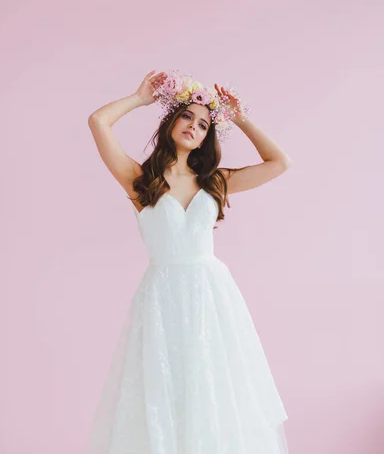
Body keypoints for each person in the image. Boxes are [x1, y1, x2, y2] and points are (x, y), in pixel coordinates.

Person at [85, 69, 292, 454]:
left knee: (212, 393)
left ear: (205, 139)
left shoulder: (215, 181)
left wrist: (239, 116)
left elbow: (279, 162)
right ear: (170, 122)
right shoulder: (140, 181)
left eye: (203, 125)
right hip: (161, 300)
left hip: (210, 300)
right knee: (163, 393)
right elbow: (98, 122)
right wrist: (138, 98)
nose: (193, 127)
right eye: (187, 117)